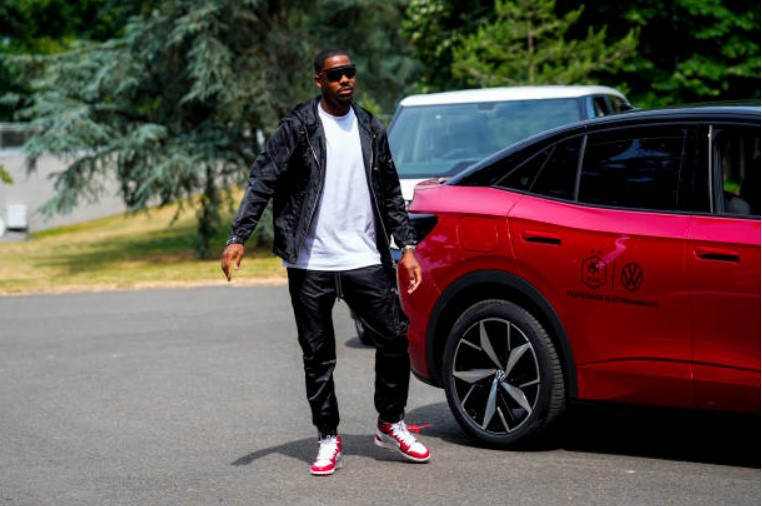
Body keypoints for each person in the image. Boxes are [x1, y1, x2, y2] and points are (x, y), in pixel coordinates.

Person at [220, 48, 430, 476]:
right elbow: (263, 179)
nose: (345, 80)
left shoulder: (370, 127)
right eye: (335, 75)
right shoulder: (298, 127)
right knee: (318, 355)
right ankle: (328, 437)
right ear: (319, 81)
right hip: (310, 261)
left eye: (350, 72)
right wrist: (238, 236)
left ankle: (390, 421)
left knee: (394, 337)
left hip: (363, 256)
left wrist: (406, 246)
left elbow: (390, 191)